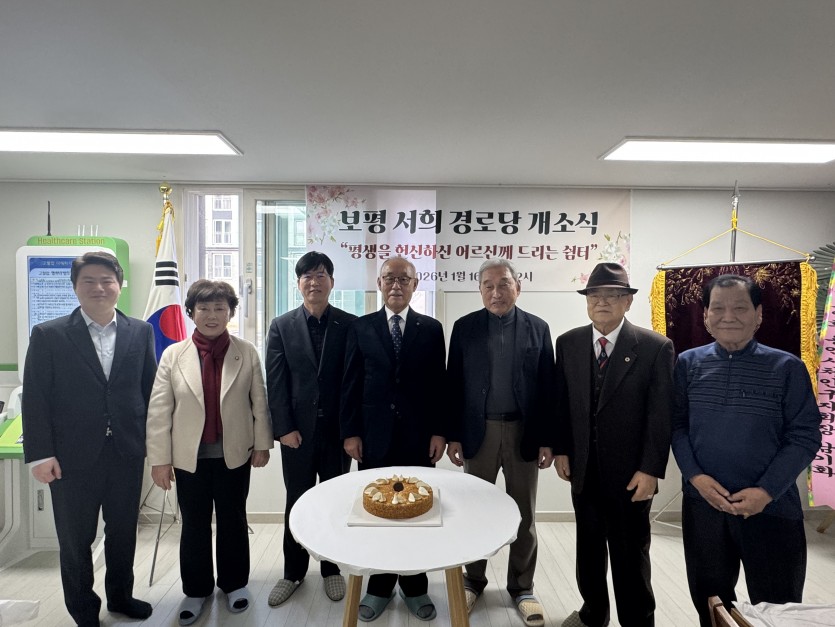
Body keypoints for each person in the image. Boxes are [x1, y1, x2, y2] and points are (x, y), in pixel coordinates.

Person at [671, 274, 821, 627]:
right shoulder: (687, 364)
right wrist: (696, 478)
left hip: (771, 508)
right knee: (711, 604)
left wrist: (766, 491)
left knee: (777, 608)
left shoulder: (787, 367)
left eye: (740, 308)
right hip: (704, 506)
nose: (728, 317)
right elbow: (677, 426)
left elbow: (804, 436)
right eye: (718, 308)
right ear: (705, 315)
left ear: (759, 314)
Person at [22, 251, 157, 627]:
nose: (99, 287)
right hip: (70, 457)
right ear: (75, 287)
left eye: (106, 280)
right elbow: (36, 398)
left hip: (127, 452)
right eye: (89, 281)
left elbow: (150, 392)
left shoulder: (140, 331)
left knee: (123, 532)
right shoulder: (49, 334)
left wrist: (157, 447)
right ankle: (83, 610)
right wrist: (40, 454)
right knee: (75, 539)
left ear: (119, 285)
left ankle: (121, 596)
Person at [146, 279, 273, 626]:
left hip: (234, 454)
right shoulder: (174, 355)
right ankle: (196, 590)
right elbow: (159, 411)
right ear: (191, 312)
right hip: (189, 457)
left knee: (233, 520)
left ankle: (234, 584)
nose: (212, 315)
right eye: (204, 308)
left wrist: (263, 444)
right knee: (194, 524)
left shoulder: (246, 351)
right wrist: (159, 460)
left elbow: (259, 401)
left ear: (230, 313)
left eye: (220, 308)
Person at [554, 262, 674, 627]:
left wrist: (651, 469)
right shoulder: (569, 343)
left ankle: (637, 620)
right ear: (587, 301)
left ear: (627, 302)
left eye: (612, 295)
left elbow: (660, 415)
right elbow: (562, 403)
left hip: (631, 474)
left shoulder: (655, 347)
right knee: (588, 549)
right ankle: (593, 613)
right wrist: (562, 449)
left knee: (630, 554)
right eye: (595, 295)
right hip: (583, 469)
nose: (602, 302)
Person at [446, 258, 555, 627]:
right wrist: (454, 434)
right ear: (480, 290)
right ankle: (473, 580)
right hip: (479, 433)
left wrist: (547, 439)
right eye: (488, 286)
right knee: (474, 510)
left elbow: (547, 387)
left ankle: (522, 587)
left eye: (504, 284)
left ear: (517, 287)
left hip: (524, 433)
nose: (496, 292)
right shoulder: (464, 328)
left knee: (524, 515)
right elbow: (454, 382)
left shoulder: (538, 328)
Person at [340, 256, 447, 622]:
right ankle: (380, 586)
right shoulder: (361, 327)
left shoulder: (431, 328)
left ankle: (415, 587)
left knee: (417, 511)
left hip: (419, 438)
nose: (396, 285)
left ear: (415, 285)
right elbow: (350, 383)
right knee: (378, 512)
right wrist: (350, 432)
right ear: (379, 284)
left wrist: (440, 431)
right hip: (374, 437)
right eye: (389, 278)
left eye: (404, 279)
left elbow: (439, 385)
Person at [265, 251, 356, 606]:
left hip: (337, 435)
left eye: (320, 275)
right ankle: (293, 572)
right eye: (307, 276)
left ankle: (332, 570)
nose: (314, 282)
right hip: (297, 435)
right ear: (298, 283)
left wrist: (351, 431)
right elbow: (276, 382)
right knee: (297, 502)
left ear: (332, 282)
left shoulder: (349, 324)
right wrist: (284, 428)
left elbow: (354, 382)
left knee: (335, 502)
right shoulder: (281, 325)